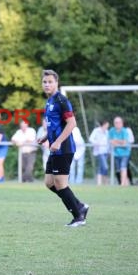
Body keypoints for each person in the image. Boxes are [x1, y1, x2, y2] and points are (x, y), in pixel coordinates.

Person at [37, 70, 89, 227]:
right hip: (54, 149)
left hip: (63, 148)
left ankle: (78, 216)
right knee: (49, 183)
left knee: (60, 184)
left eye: (50, 82)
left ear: (56, 83)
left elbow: (72, 123)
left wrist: (58, 142)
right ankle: (79, 206)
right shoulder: (50, 101)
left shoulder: (61, 100)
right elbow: (55, 125)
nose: (47, 84)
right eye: (44, 82)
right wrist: (46, 137)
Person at [109, 117, 131, 186]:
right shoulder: (112, 130)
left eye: (118, 122)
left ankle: (122, 184)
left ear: (122, 123)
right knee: (118, 170)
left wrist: (116, 141)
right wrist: (119, 142)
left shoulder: (125, 131)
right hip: (116, 154)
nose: (117, 124)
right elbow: (110, 141)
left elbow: (124, 143)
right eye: (115, 122)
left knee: (123, 167)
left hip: (125, 153)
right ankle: (126, 183)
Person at [88, 120, 110, 185]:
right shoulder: (96, 130)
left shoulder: (107, 132)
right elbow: (91, 139)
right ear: (103, 124)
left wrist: (109, 151)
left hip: (106, 151)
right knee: (105, 167)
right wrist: (96, 143)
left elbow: (108, 141)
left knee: (101, 167)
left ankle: (100, 183)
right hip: (99, 151)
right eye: (106, 125)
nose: (107, 126)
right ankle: (104, 181)